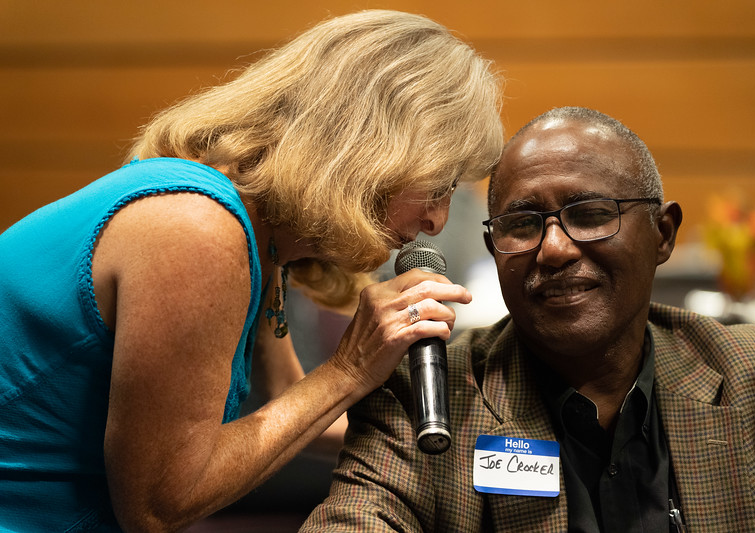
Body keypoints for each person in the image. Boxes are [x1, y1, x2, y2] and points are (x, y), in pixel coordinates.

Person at [0, 10, 504, 531]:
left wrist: (463, 442)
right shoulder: (196, 228)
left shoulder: (262, 236)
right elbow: (158, 505)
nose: (437, 220)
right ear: (373, 148)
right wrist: (351, 368)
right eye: (438, 184)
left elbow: (291, 399)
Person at [300, 107, 755, 532]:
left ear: (662, 234)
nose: (555, 249)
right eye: (522, 224)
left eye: (591, 214)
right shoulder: (422, 400)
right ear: (494, 249)